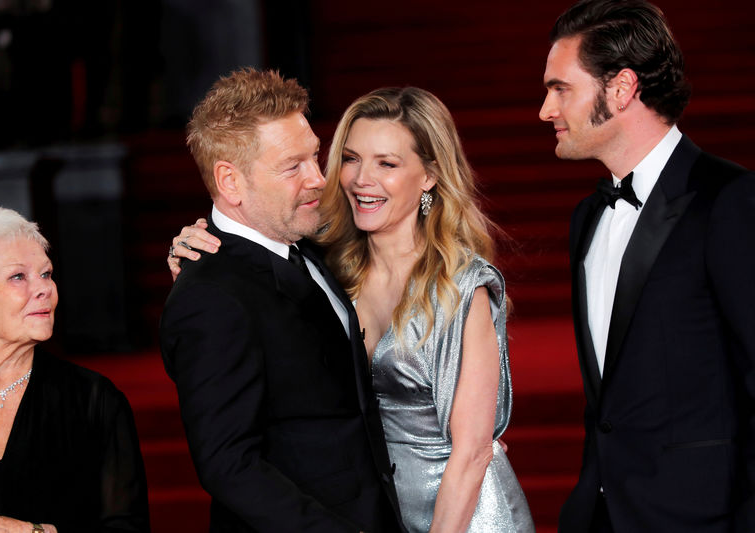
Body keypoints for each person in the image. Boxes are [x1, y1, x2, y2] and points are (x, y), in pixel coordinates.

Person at [169, 85, 534, 532]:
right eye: (350, 158)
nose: (335, 179)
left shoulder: (456, 285)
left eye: (387, 163)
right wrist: (197, 258)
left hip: (458, 514)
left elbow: (473, 451)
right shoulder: (327, 259)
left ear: (429, 176)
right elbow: (231, 459)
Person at [538, 1, 755, 531]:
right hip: (603, 513)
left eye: (560, 88)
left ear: (621, 89)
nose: (545, 110)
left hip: (703, 518)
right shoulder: (587, 217)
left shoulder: (729, 202)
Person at [159, 69, 405, 533]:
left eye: (315, 156)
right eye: (293, 166)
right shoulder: (210, 298)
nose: (318, 178)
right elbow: (229, 466)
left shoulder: (306, 242)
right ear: (230, 182)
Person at [0, 203, 149, 532]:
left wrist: (32, 532)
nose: (45, 288)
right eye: (18, 277)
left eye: (45, 274)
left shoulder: (94, 402)